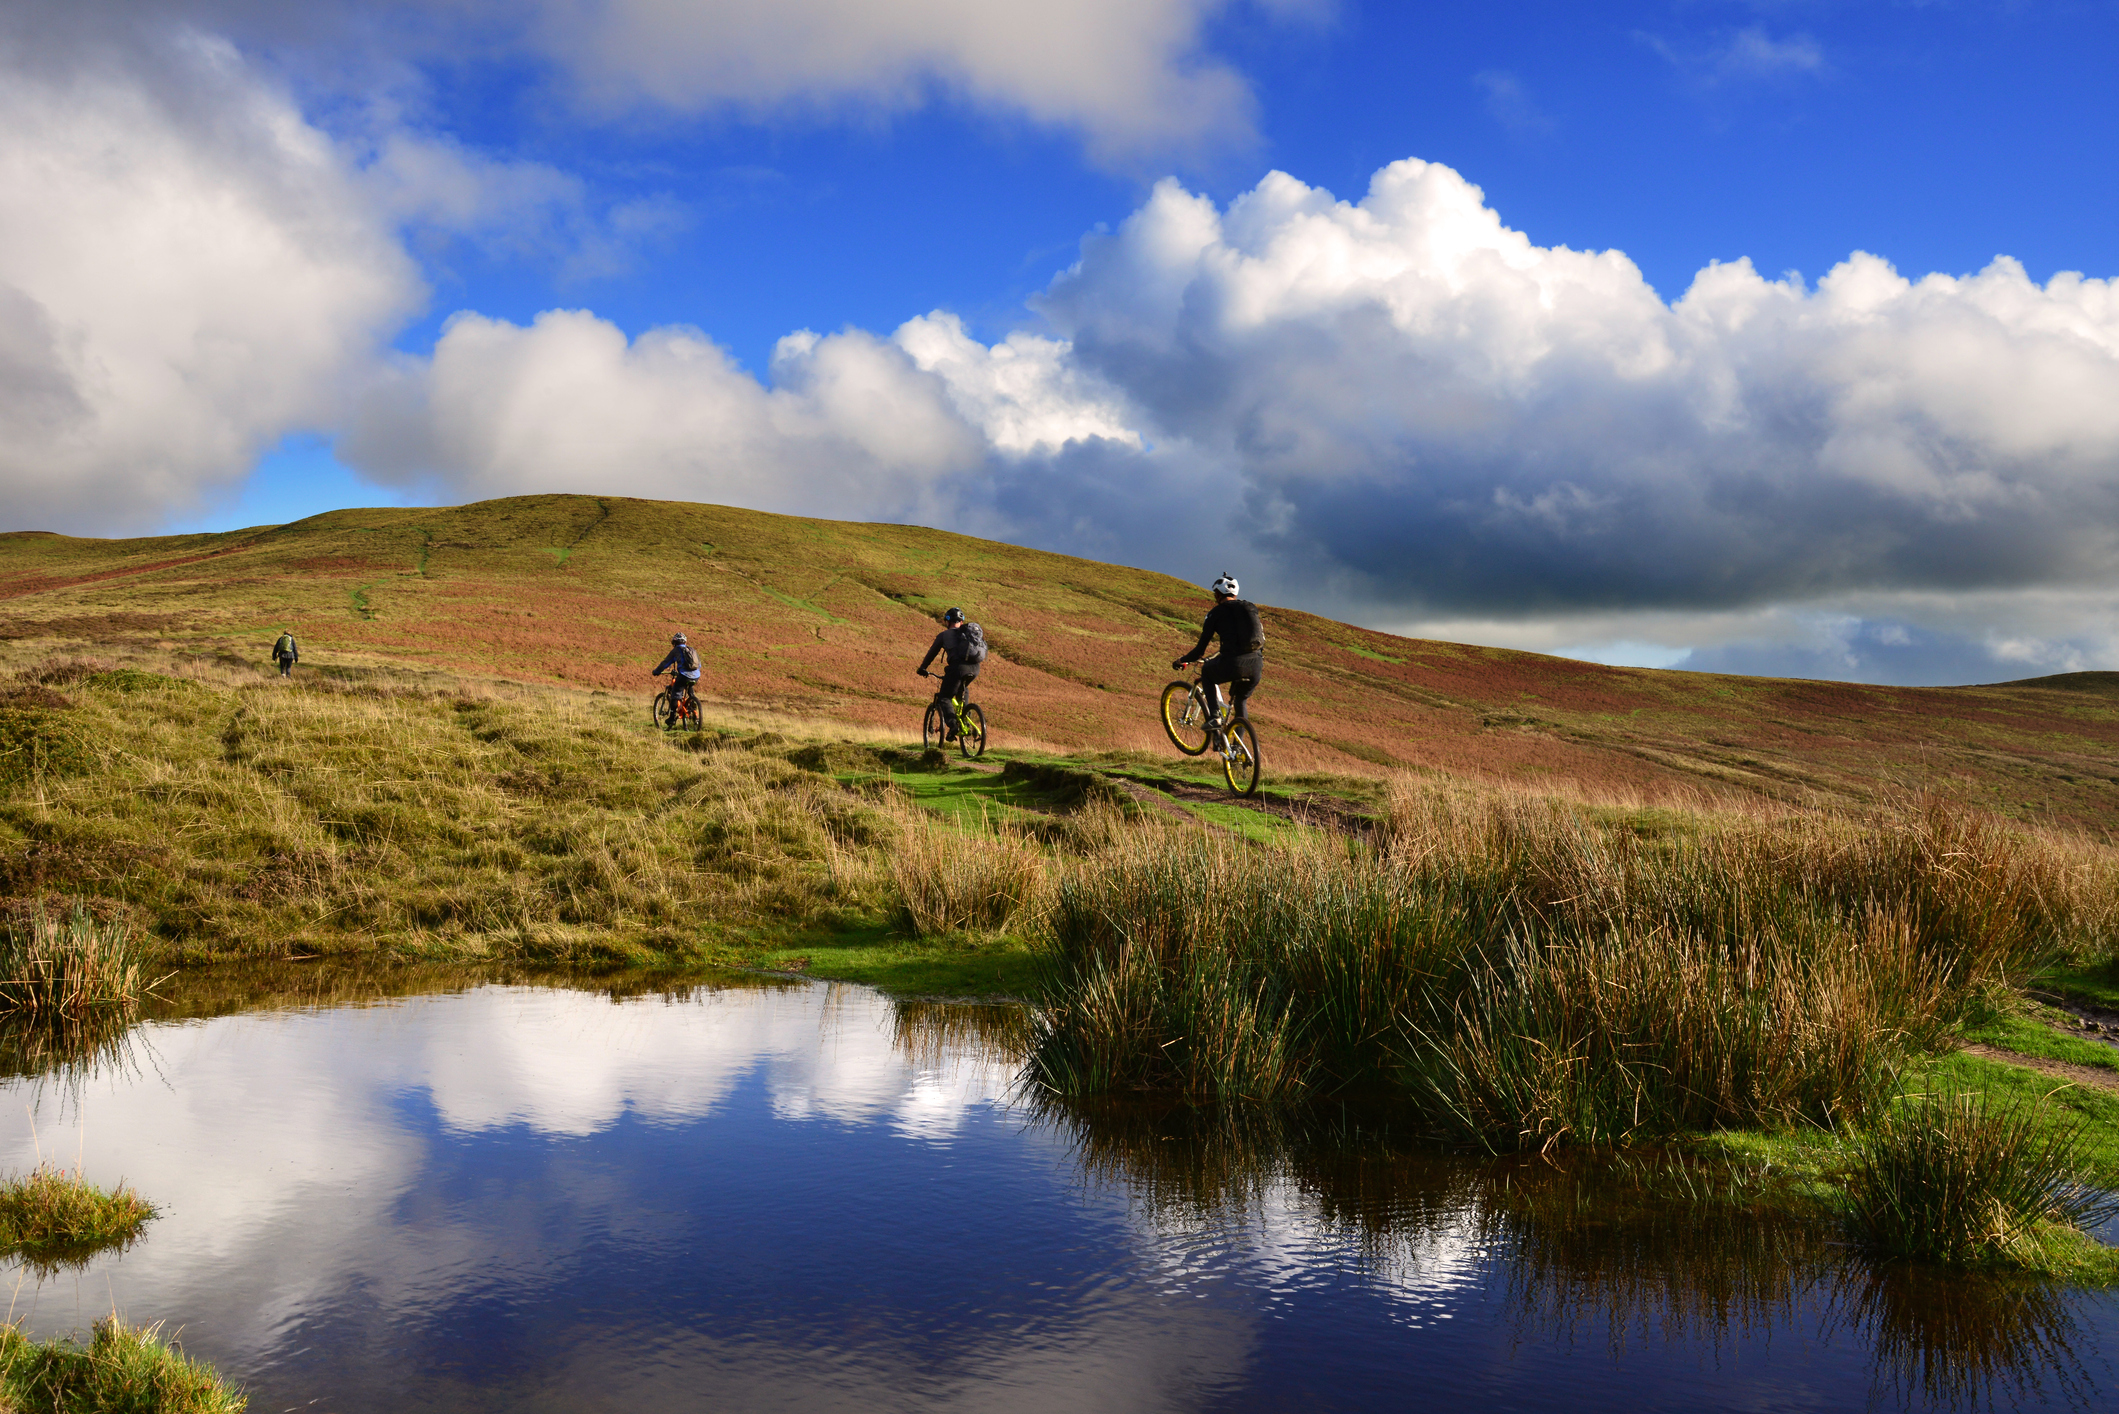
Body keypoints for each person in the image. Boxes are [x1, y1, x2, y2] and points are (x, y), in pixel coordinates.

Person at [1173, 573, 1264, 737]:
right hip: (1256, 664)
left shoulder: (1215, 613)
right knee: (1240, 701)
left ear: (1218, 594)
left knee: (1207, 672)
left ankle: (1215, 717)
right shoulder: (1250, 608)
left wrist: (1182, 660)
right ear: (1235, 594)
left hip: (1234, 663)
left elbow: (1199, 650)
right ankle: (1238, 751)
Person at [916, 607, 986, 740]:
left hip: (957, 669)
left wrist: (923, 667)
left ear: (948, 621)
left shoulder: (944, 635)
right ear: (961, 621)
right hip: (975, 668)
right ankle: (965, 722)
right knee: (962, 691)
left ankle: (953, 726)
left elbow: (932, 653)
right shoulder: (968, 634)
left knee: (944, 697)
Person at [652, 632, 702, 709]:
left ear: (674, 643)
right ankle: (693, 703)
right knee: (689, 688)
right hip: (696, 675)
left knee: (676, 693)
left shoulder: (676, 650)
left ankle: (672, 717)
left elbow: (665, 663)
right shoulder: (692, 650)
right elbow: (699, 664)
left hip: (684, 675)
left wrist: (657, 671)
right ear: (685, 642)